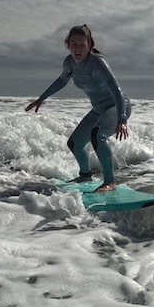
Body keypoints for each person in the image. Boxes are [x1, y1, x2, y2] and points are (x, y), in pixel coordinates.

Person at [25, 25, 131, 192]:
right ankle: (85, 175)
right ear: (67, 44)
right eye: (74, 44)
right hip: (98, 109)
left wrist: (122, 119)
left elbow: (116, 89)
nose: (78, 48)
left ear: (89, 45)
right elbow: (61, 81)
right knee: (75, 143)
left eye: (82, 44)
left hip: (116, 106)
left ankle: (110, 182)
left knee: (98, 135)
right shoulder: (69, 63)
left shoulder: (98, 63)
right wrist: (41, 98)